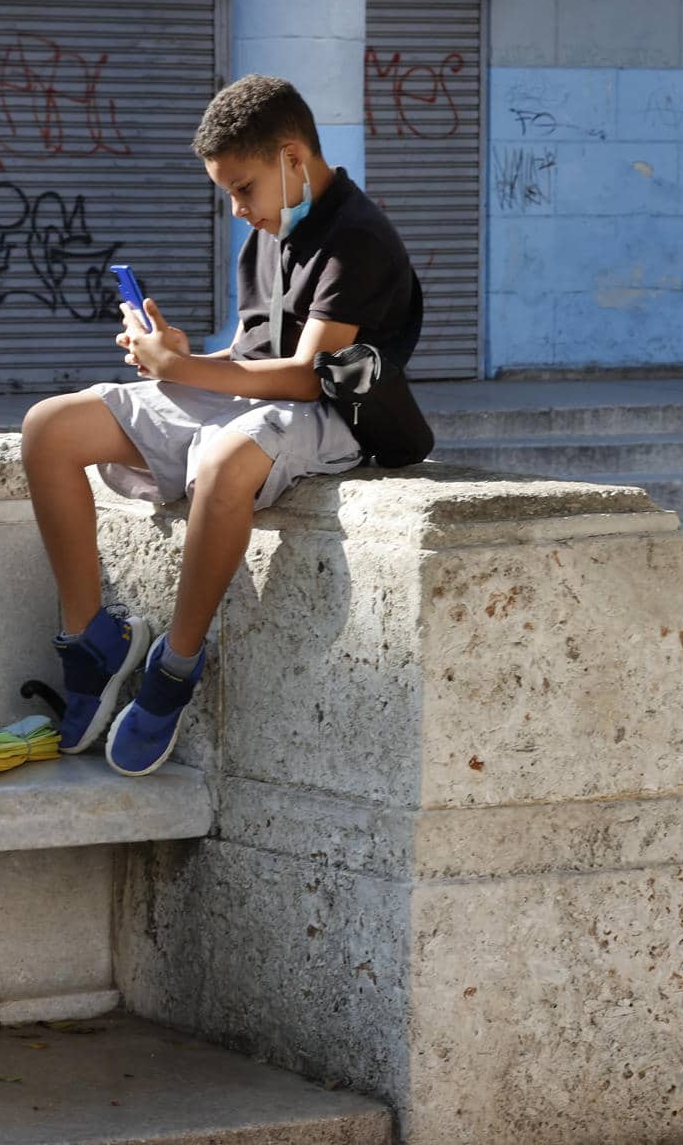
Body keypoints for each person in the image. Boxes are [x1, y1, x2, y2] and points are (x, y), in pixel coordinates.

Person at [21, 74, 424, 778]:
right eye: (229, 194)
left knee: (225, 462)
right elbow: (249, 356)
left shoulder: (358, 238)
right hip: (258, 396)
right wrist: (182, 353)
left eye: (243, 188)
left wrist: (180, 372)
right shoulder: (271, 230)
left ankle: (174, 666)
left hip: (334, 412)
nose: (239, 209)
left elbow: (308, 376)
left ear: (292, 158)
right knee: (49, 427)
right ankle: (93, 641)